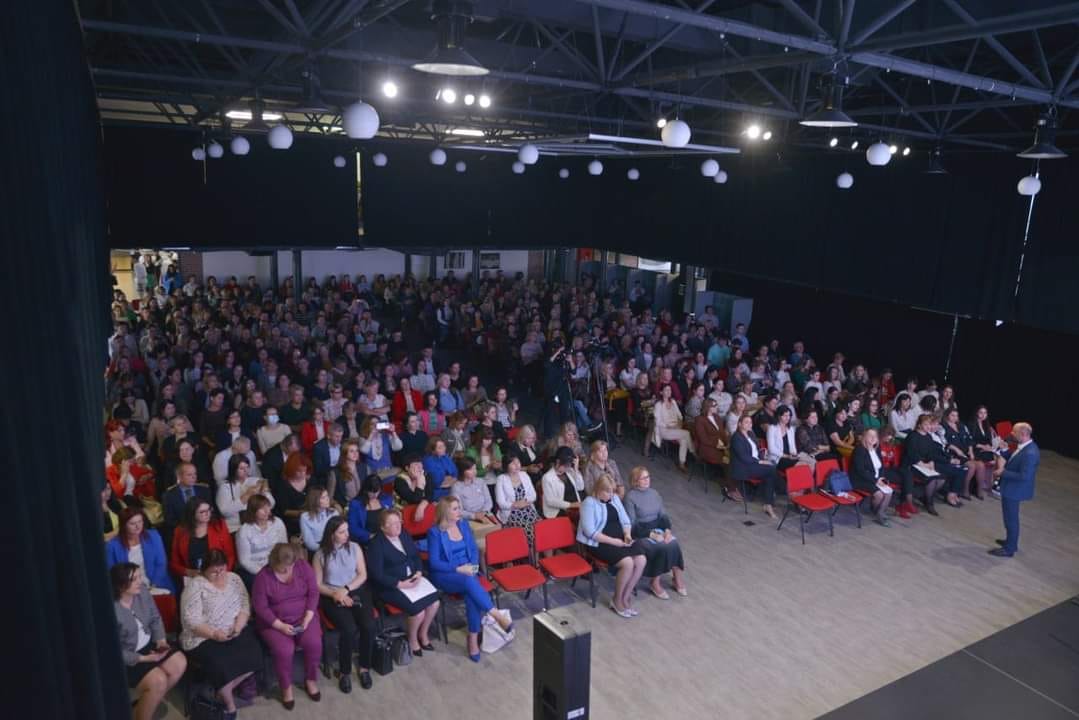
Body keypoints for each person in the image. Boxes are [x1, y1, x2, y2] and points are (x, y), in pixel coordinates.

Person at [427, 497, 515, 661]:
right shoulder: (435, 532)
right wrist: (458, 569)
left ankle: (473, 638)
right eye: (455, 509)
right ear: (445, 512)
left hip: (468, 570)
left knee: (471, 593)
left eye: (459, 508)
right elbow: (434, 562)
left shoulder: (463, 525)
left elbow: (473, 550)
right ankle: (495, 614)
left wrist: (473, 568)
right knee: (469, 583)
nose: (459, 511)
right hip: (446, 574)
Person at [179, 549, 261, 717]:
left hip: (234, 630)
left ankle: (224, 690)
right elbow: (190, 620)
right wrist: (214, 634)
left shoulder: (234, 578)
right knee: (222, 665)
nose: (219, 574)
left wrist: (238, 626)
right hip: (203, 636)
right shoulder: (196, 586)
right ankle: (230, 706)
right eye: (214, 572)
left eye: (222, 569)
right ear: (204, 570)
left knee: (256, 653)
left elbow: (245, 605)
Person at [112, 563, 187, 720]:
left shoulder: (142, 592)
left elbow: (155, 618)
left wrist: (161, 641)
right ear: (120, 585)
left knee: (180, 663)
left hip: (149, 643)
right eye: (134, 579)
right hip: (129, 656)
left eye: (140, 576)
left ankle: (147, 704)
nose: (140, 581)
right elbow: (114, 650)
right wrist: (145, 658)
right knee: (158, 680)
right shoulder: (112, 610)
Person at [252, 543, 322, 709]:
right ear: (273, 563)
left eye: (290, 567)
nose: (288, 571)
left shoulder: (302, 566)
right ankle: (286, 687)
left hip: (304, 615)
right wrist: (280, 626)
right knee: (284, 650)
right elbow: (260, 608)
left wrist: (308, 616)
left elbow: (313, 592)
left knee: (314, 643)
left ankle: (310, 679)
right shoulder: (263, 577)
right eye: (283, 568)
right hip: (274, 621)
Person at [313, 517, 376, 693]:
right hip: (332, 594)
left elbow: (362, 575)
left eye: (347, 530)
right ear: (331, 534)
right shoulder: (320, 555)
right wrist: (336, 594)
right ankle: (344, 671)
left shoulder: (355, 548)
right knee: (348, 629)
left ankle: (364, 667)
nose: (347, 534)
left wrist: (346, 590)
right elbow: (318, 585)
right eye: (342, 532)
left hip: (354, 589)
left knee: (369, 626)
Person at [367, 509, 441, 656]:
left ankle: (423, 633)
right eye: (392, 523)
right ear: (383, 527)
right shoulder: (376, 544)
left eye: (398, 522)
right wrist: (399, 584)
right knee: (418, 612)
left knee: (435, 603)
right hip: (391, 586)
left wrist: (419, 571)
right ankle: (412, 639)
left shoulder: (404, 534)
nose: (398, 526)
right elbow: (377, 574)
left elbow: (415, 556)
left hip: (413, 578)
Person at [576, 473, 646, 619]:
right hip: (598, 543)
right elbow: (590, 532)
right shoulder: (589, 503)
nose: (611, 495)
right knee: (627, 563)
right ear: (599, 490)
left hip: (619, 538)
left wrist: (627, 535)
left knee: (641, 560)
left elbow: (625, 520)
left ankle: (625, 597)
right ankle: (616, 600)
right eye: (608, 491)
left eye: (612, 491)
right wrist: (614, 542)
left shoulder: (614, 499)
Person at [624, 466, 687, 599]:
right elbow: (631, 525)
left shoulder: (654, 493)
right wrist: (651, 535)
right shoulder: (630, 497)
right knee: (661, 546)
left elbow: (663, 516)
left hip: (658, 528)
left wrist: (667, 531)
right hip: (641, 532)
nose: (647, 480)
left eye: (648, 477)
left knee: (673, 543)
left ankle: (677, 578)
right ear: (635, 481)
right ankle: (655, 582)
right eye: (643, 478)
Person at [989, 422, 1039, 557]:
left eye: (1014, 432)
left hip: (1015, 490)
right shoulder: (1024, 447)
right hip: (1012, 488)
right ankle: (1010, 541)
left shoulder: (1030, 453)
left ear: (1023, 434)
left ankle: (1009, 549)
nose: (1011, 434)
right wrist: (1005, 450)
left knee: (1011, 519)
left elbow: (1024, 476)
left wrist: (1002, 472)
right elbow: (1013, 460)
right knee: (1009, 518)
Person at [171, 496, 237, 582]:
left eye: (209, 510)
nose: (207, 513)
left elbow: (230, 556)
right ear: (192, 514)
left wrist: (219, 573)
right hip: (193, 577)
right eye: (202, 512)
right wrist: (188, 572)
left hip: (218, 574)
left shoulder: (219, 526)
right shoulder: (180, 531)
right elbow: (174, 563)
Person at [851, 429, 908, 526]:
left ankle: (880, 512)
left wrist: (881, 478)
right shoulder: (859, 450)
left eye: (875, 436)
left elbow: (881, 466)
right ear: (865, 437)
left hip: (875, 478)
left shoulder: (876, 449)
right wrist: (876, 480)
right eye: (870, 436)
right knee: (879, 494)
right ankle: (879, 514)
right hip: (860, 479)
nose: (873, 438)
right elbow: (860, 470)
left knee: (889, 492)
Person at [730, 414, 780, 519]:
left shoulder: (751, 434)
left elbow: (756, 450)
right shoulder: (736, 437)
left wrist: (763, 456)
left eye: (750, 422)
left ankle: (768, 502)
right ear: (740, 424)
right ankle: (769, 500)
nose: (749, 424)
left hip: (754, 463)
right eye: (746, 422)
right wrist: (761, 462)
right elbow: (744, 457)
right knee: (771, 471)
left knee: (772, 468)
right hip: (743, 467)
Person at [449, 458, 499, 559]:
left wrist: (484, 512)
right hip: (468, 519)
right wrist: (474, 516)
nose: (474, 471)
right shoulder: (456, 487)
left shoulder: (481, 482)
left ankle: (499, 559)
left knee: (498, 532)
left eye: (475, 468)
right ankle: (480, 562)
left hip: (485, 514)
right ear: (463, 471)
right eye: (471, 469)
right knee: (479, 543)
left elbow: (489, 501)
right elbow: (458, 511)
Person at [236, 494, 287, 583]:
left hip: (275, 563)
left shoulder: (277, 522)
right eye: (262, 509)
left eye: (268, 506)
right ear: (253, 511)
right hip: (254, 568)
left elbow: (284, 546)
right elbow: (244, 561)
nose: (267, 511)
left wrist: (280, 566)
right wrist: (264, 573)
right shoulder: (244, 531)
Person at [216, 455, 274, 533]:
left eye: (247, 467)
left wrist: (264, 493)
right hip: (236, 527)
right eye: (241, 468)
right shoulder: (225, 487)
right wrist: (246, 496)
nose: (246, 471)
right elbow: (225, 511)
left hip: (257, 524)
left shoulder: (256, 481)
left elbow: (272, 504)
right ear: (233, 470)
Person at [942, 407, 990, 499]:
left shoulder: (961, 426)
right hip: (953, 453)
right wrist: (956, 449)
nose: (955, 418)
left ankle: (979, 490)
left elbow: (969, 439)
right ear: (947, 416)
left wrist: (971, 451)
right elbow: (944, 442)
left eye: (956, 416)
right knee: (972, 466)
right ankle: (964, 490)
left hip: (965, 452)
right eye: (952, 415)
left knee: (981, 465)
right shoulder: (943, 426)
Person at [495, 454, 541, 546]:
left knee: (541, 528)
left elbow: (533, 495)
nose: (517, 465)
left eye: (518, 462)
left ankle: (537, 553)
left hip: (528, 509)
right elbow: (500, 502)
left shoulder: (524, 475)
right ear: (506, 466)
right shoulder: (501, 479)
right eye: (513, 463)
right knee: (529, 531)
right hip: (511, 512)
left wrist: (525, 502)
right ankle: (530, 553)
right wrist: (515, 505)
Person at [651, 384, 694, 473]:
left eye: (670, 390)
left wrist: (678, 424)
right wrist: (668, 425)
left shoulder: (673, 402)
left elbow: (680, 416)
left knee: (684, 440)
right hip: (664, 430)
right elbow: (657, 421)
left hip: (675, 428)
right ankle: (694, 452)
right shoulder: (658, 404)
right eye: (666, 390)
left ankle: (681, 463)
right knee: (687, 433)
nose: (669, 392)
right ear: (661, 392)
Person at [163, 461, 212, 534]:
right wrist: (186, 529)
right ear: (179, 477)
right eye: (189, 475)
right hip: (183, 533)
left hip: (205, 530)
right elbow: (169, 520)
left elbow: (212, 511)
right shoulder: (169, 495)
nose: (194, 477)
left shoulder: (204, 490)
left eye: (195, 474)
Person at [348, 473, 395, 546]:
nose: (375, 495)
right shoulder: (356, 504)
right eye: (372, 492)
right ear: (366, 490)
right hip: (369, 540)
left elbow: (393, 518)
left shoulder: (387, 499)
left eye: (377, 491)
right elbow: (353, 527)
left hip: (388, 536)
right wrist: (370, 536)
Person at [541, 446, 586, 519]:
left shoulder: (570, 471)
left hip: (576, 507)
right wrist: (571, 504)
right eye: (566, 465)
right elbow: (550, 501)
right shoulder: (547, 477)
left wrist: (576, 469)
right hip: (559, 511)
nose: (567, 468)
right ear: (558, 462)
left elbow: (580, 487)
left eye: (569, 465)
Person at [273, 453, 310, 538]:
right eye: (299, 471)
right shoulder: (282, 485)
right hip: (292, 522)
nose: (302, 474)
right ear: (291, 470)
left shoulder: (311, 481)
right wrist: (302, 513)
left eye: (304, 471)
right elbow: (284, 511)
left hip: (310, 518)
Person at [766, 405, 812, 473]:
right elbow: (771, 449)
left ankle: (808, 480)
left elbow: (792, 446)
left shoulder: (790, 429)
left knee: (810, 463)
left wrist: (794, 455)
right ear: (779, 416)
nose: (788, 418)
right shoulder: (772, 428)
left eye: (789, 415)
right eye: (785, 415)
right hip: (778, 458)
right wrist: (787, 456)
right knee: (802, 465)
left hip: (790, 456)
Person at [299, 485, 339, 553]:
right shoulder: (305, 517)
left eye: (327, 496)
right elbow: (310, 544)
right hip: (317, 551)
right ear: (315, 500)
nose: (327, 499)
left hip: (335, 548)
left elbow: (339, 535)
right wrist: (326, 549)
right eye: (323, 497)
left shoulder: (334, 513)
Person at [326, 437, 364, 507]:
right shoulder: (335, 472)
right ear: (344, 453)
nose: (355, 453)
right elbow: (329, 498)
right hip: (346, 507)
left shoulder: (363, 467)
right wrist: (337, 505)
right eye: (351, 451)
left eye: (357, 451)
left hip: (363, 505)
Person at [423, 436, 459, 500]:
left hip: (451, 489)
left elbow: (455, 473)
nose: (444, 449)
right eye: (440, 448)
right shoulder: (428, 461)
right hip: (436, 493)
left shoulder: (445, 457)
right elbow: (436, 482)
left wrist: (448, 478)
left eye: (444, 446)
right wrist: (448, 478)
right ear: (433, 451)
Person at [311, 422, 345, 486]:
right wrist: (335, 471)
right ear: (328, 436)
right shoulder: (319, 447)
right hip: (326, 478)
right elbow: (318, 470)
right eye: (337, 436)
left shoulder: (342, 444)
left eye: (341, 436)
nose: (339, 439)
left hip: (342, 475)